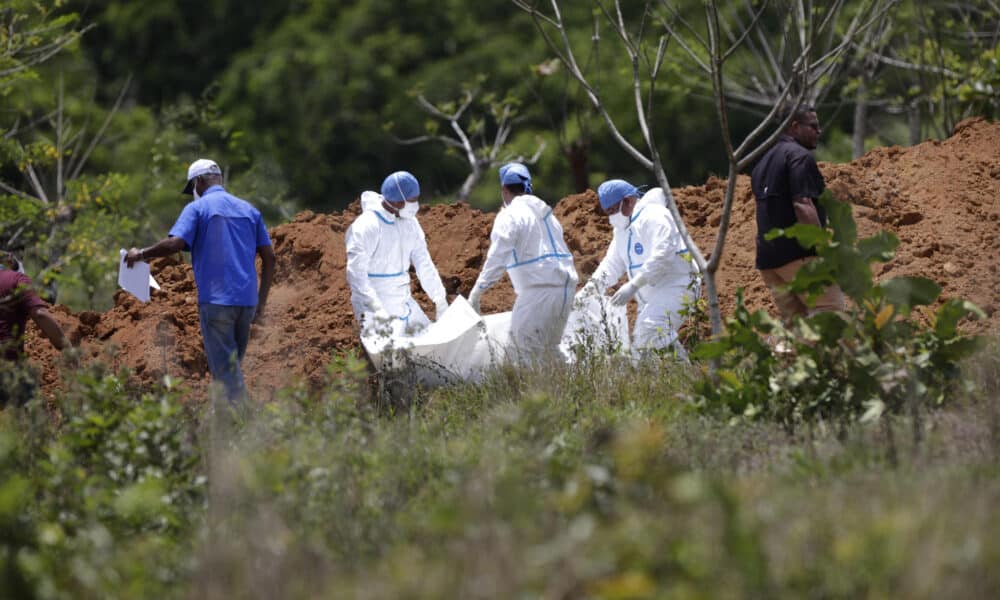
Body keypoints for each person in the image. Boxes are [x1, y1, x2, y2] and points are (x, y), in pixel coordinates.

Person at [125, 159, 275, 409]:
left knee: (227, 375)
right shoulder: (250, 210)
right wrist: (262, 303)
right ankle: (224, 428)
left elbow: (174, 244)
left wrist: (140, 254)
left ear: (198, 182)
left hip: (217, 303)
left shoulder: (198, 209)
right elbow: (270, 258)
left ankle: (248, 427)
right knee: (231, 369)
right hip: (247, 303)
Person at [468, 163, 578, 363]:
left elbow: (497, 257)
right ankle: (577, 386)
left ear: (504, 189)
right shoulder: (547, 215)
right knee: (549, 349)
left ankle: (530, 394)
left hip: (538, 291)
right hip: (565, 289)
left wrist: (478, 290)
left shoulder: (510, 215)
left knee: (521, 353)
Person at [582, 180, 700, 357]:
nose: (611, 217)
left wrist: (633, 285)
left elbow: (663, 254)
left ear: (629, 201)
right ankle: (681, 379)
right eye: (608, 213)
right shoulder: (622, 229)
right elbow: (612, 264)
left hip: (678, 286)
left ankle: (688, 376)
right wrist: (590, 289)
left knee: (651, 330)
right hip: (650, 295)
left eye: (614, 210)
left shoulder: (655, 216)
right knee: (642, 351)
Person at [751, 105, 845, 321]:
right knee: (830, 311)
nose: (819, 131)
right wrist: (823, 247)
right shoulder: (799, 157)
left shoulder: (762, 163)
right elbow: (803, 205)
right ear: (794, 127)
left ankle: (778, 354)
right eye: (813, 126)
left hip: (769, 261)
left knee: (795, 322)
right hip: (799, 256)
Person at [345, 171, 448, 336]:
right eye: (413, 201)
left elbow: (424, 263)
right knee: (389, 355)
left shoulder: (410, 223)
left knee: (430, 342)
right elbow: (356, 275)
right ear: (399, 201)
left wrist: (439, 299)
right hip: (374, 304)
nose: (417, 205)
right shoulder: (367, 226)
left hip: (403, 301)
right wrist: (376, 309)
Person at [1, 251, 72, 407]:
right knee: (34, 418)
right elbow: (40, 314)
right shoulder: (15, 279)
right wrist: (67, 349)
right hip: (8, 371)